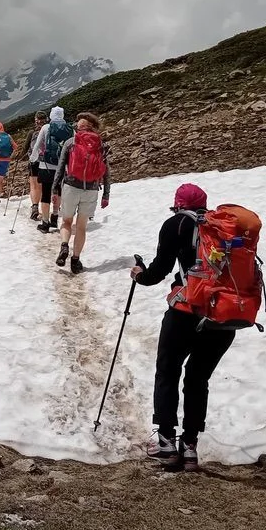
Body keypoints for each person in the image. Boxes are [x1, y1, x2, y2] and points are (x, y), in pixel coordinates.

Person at [129, 183, 230, 473]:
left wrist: (140, 275)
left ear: (177, 204)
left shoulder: (176, 224)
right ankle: (190, 446)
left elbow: (160, 270)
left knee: (168, 370)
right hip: (222, 316)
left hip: (187, 312)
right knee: (198, 379)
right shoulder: (221, 227)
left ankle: (166, 442)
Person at [51, 112, 110, 273]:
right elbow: (106, 172)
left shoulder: (71, 142)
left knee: (67, 222)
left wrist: (55, 189)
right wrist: (106, 194)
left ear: (79, 126)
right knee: (81, 227)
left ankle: (64, 246)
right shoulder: (101, 145)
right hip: (91, 189)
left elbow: (61, 167)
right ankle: (75, 261)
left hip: (70, 186)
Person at [30, 106, 72, 232]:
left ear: (52, 116)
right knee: (58, 191)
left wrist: (33, 159)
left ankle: (45, 222)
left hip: (45, 166)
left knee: (46, 194)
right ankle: (55, 217)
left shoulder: (46, 127)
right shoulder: (70, 129)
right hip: (62, 167)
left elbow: (37, 146)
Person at [22, 111, 47, 219]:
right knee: (46, 186)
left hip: (35, 162)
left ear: (36, 120)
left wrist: (19, 157)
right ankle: (51, 209)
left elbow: (25, 148)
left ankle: (35, 207)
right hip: (48, 161)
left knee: (34, 185)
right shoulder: (50, 130)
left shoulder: (32, 132)